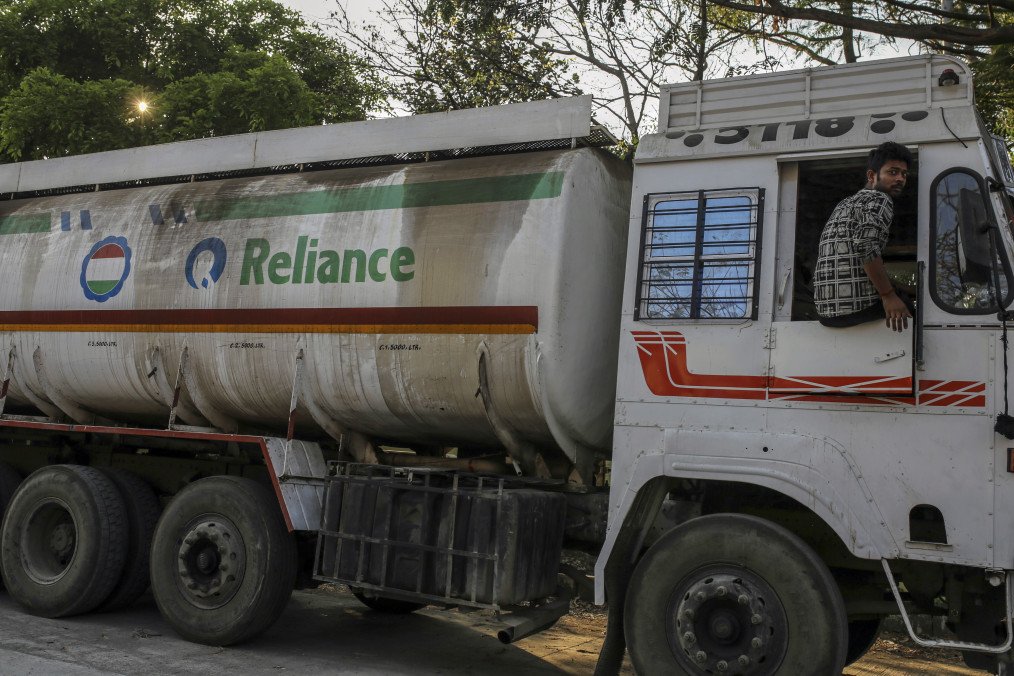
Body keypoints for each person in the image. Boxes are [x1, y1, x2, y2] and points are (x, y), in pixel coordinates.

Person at [813, 141, 915, 332]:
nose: (900, 178)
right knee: (909, 309)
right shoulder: (881, 199)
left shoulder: (845, 204)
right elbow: (866, 247)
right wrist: (888, 295)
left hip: (825, 314)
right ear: (872, 175)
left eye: (904, 174)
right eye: (893, 172)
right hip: (855, 309)